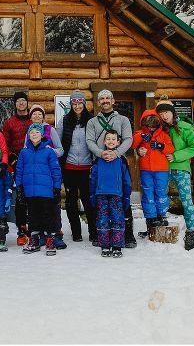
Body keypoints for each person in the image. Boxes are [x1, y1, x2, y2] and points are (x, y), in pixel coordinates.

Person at [85, 89, 136, 247]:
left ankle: (127, 235)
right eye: (102, 99)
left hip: (118, 161)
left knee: (121, 199)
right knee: (100, 202)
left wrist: (117, 153)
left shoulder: (123, 120)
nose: (105, 101)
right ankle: (99, 235)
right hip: (99, 162)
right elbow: (89, 141)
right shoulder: (92, 122)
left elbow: (128, 139)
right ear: (98, 102)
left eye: (108, 98)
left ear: (113, 101)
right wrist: (101, 153)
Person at [156, 98, 194, 250]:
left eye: (166, 112)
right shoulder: (159, 130)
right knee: (160, 196)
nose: (164, 116)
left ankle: (191, 231)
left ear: (173, 112)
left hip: (181, 168)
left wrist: (176, 156)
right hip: (163, 169)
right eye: (161, 113)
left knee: (186, 199)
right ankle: (158, 223)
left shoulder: (185, 127)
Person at [56, 90, 97, 243]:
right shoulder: (65, 121)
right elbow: (58, 142)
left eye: (80, 102)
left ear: (84, 104)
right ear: (71, 104)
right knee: (71, 201)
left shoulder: (91, 120)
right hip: (69, 167)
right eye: (74, 102)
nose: (77, 105)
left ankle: (93, 232)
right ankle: (76, 233)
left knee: (88, 201)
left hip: (87, 167)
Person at [16, 123, 62, 255]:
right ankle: (34, 241)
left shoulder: (49, 151)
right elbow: (19, 171)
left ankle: (50, 242)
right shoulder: (24, 152)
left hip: (46, 191)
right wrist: (19, 187)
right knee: (32, 217)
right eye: (32, 132)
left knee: (48, 216)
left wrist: (57, 188)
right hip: (30, 191)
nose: (34, 134)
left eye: (37, 132)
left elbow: (55, 171)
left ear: (42, 135)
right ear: (28, 136)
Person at [27, 103, 66, 250]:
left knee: (52, 207)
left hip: (49, 173)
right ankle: (43, 236)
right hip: (36, 176)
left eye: (39, 114)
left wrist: (50, 151)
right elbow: (28, 148)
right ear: (30, 117)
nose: (36, 116)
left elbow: (60, 150)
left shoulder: (50, 130)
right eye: (34, 114)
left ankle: (56, 235)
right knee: (39, 207)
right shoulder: (30, 131)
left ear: (43, 116)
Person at [90, 130, 132, 258]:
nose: (111, 141)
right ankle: (105, 245)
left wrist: (126, 196)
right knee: (102, 220)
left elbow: (127, 180)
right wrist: (92, 195)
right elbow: (93, 179)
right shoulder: (98, 160)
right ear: (104, 142)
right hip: (101, 194)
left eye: (114, 139)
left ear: (118, 142)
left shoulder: (122, 160)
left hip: (117, 195)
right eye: (108, 139)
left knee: (117, 219)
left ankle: (117, 245)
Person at [132, 110, 175, 233]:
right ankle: (151, 217)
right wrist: (140, 136)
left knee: (161, 192)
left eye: (153, 126)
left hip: (161, 170)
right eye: (148, 126)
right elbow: (133, 144)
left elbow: (170, 148)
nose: (151, 128)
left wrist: (161, 146)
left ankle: (161, 214)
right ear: (144, 124)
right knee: (148, 192)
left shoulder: (163, 135)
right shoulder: (140, 133)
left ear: (157, 125)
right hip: (146, 169)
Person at [2, 91, 32, 245]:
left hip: (34, 164)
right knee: (20, 198)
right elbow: (5, 145)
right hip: (18, 164)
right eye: (18, 101)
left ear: (27, 103)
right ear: (15, 104)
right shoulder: (9, 122)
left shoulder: (34, 119)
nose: (21, 103)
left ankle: (34, 228)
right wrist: (12, 161)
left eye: (23, 101)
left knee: (34, 196)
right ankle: (21, 229)